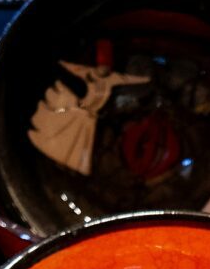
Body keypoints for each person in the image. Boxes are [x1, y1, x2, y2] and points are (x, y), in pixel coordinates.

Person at [27, 40, 151, 176]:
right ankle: (62, 158)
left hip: (90, 118)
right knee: (67, 136)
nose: (103, 70)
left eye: (106, 68)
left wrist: (146, 79)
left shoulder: (112, 78)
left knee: (83, 145)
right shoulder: (88, 73)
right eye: (101, 67)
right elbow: (71, 67)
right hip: (79, 113)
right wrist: (59, 62)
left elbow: (128, 79)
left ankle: (75, 164)